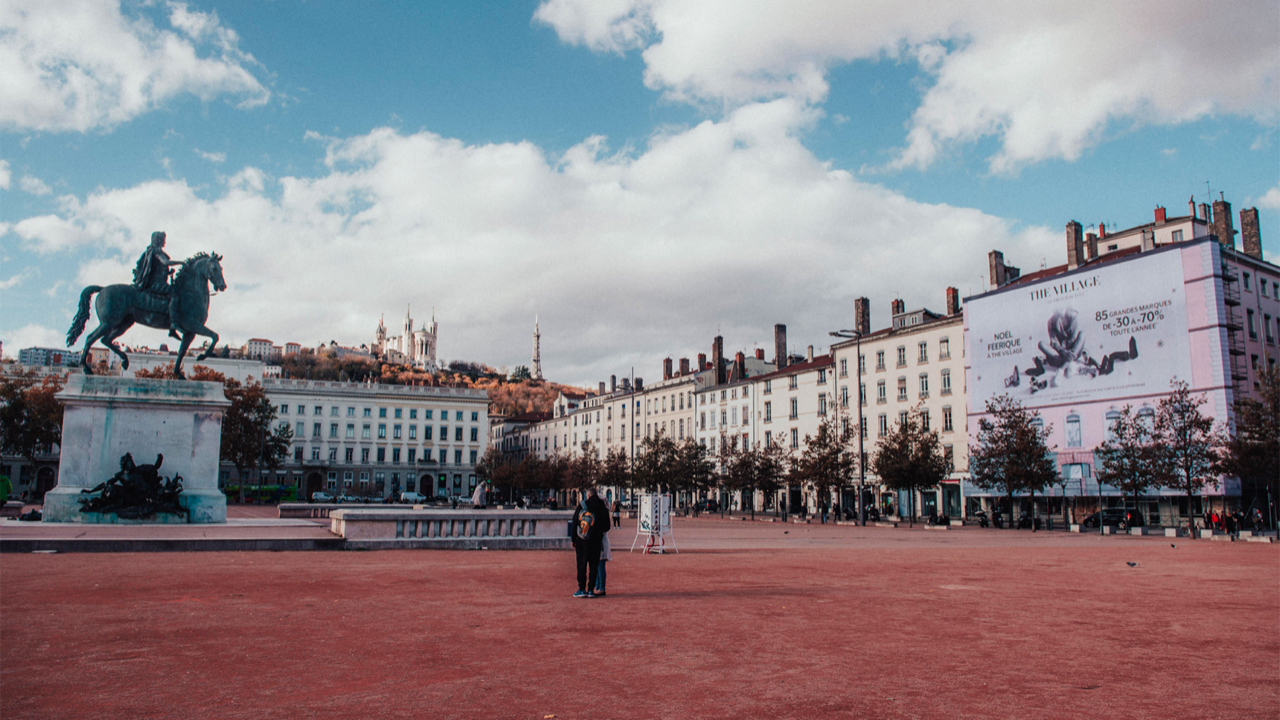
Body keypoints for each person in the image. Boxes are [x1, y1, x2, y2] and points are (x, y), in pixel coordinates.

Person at [132, 231, 183, 338]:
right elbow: (165, 262)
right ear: (159, 240)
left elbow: (157, 269)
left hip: (157, 281)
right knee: (174, 293)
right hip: (156, 284)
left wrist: (168, 272)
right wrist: (181, 262)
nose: (165, 242)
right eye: (163, 239)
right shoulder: (156, 251)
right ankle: (173, 323)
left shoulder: (151, 251)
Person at [570, 488, 611, 598]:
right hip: (596, 541)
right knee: (594, 566)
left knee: (581, 565)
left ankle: (582, 589)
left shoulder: (582, 504)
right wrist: (598, 532)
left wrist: (573, 539)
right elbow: (607, 526)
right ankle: (591, 590)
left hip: (582, 540)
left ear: (588, 495)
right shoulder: (602, 506)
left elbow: (575, 522)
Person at [594, 526, 612, 597]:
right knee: (596, 565)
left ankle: (601, 587)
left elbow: (606, 527)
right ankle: (597, 586)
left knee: (600, 565)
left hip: (601, 542)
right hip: (596, 541)